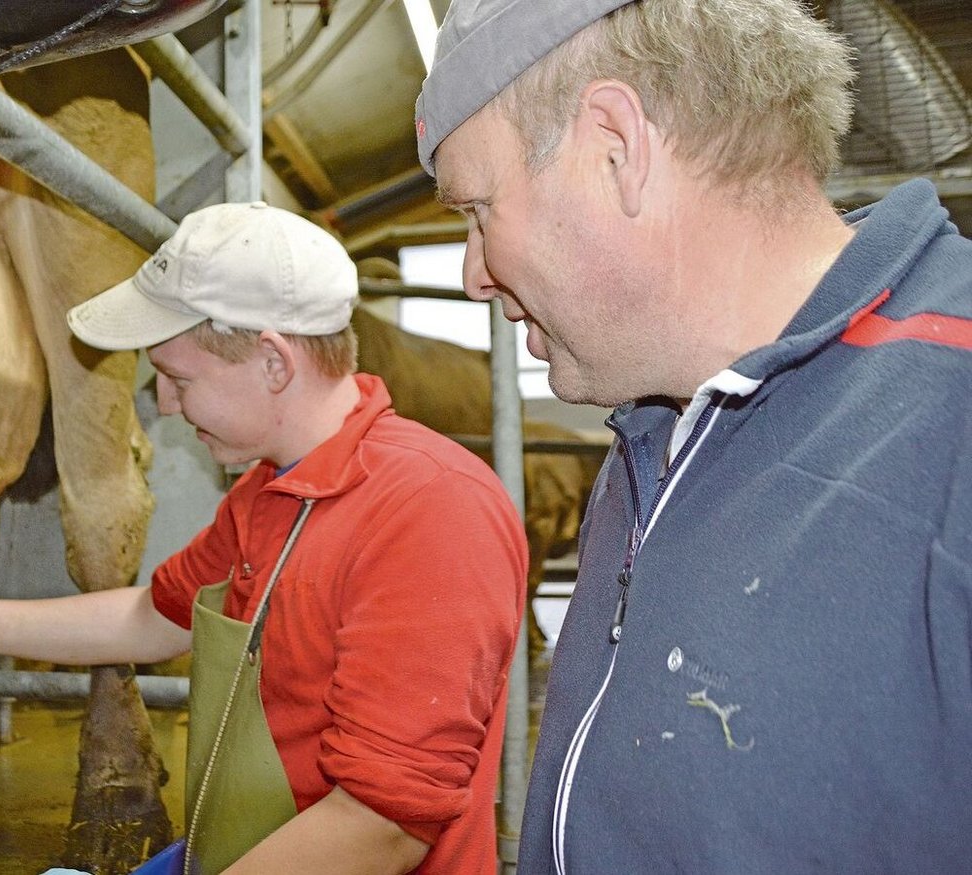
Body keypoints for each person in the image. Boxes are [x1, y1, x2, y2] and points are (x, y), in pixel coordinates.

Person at [415, 0, 972, 871]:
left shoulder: (954, 422)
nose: (473, 274)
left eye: (479, 211)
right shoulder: (656, 436)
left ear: (615, 148)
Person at [0, 201, 528, 874]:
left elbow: (381, 826)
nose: (169, 407)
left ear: (273, 361)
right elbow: (154, 615)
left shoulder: (429, 511)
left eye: (179, 379)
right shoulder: (265, 495)